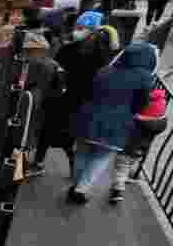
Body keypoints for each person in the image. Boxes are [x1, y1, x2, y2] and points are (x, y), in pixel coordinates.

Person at [69, 42, 158, 205]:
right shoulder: (145, 78)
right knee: (101, 157)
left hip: (88, 117)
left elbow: (90, 91)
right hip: (117, 123)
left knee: (82, 152)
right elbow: (140, 105)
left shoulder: (105, 70)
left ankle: (76, 184)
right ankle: (81, 188)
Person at [40, 11, 111, 179]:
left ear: (95, 32)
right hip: (61, 99)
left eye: (83, 28)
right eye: (77, 27)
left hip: (80, 102)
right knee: (48, 132)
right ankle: (41, 161)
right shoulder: (69, 49)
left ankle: (71, 166)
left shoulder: (101, 55)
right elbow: (55, 70)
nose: (78, 31)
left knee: (68, 136)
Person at [111, 80, 168, 203]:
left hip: (128, 147)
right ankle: (125, 178)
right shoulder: (160, 122)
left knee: (120, 167)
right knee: (129, 163)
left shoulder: (137, 121)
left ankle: (117, 190)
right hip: (142, 149)